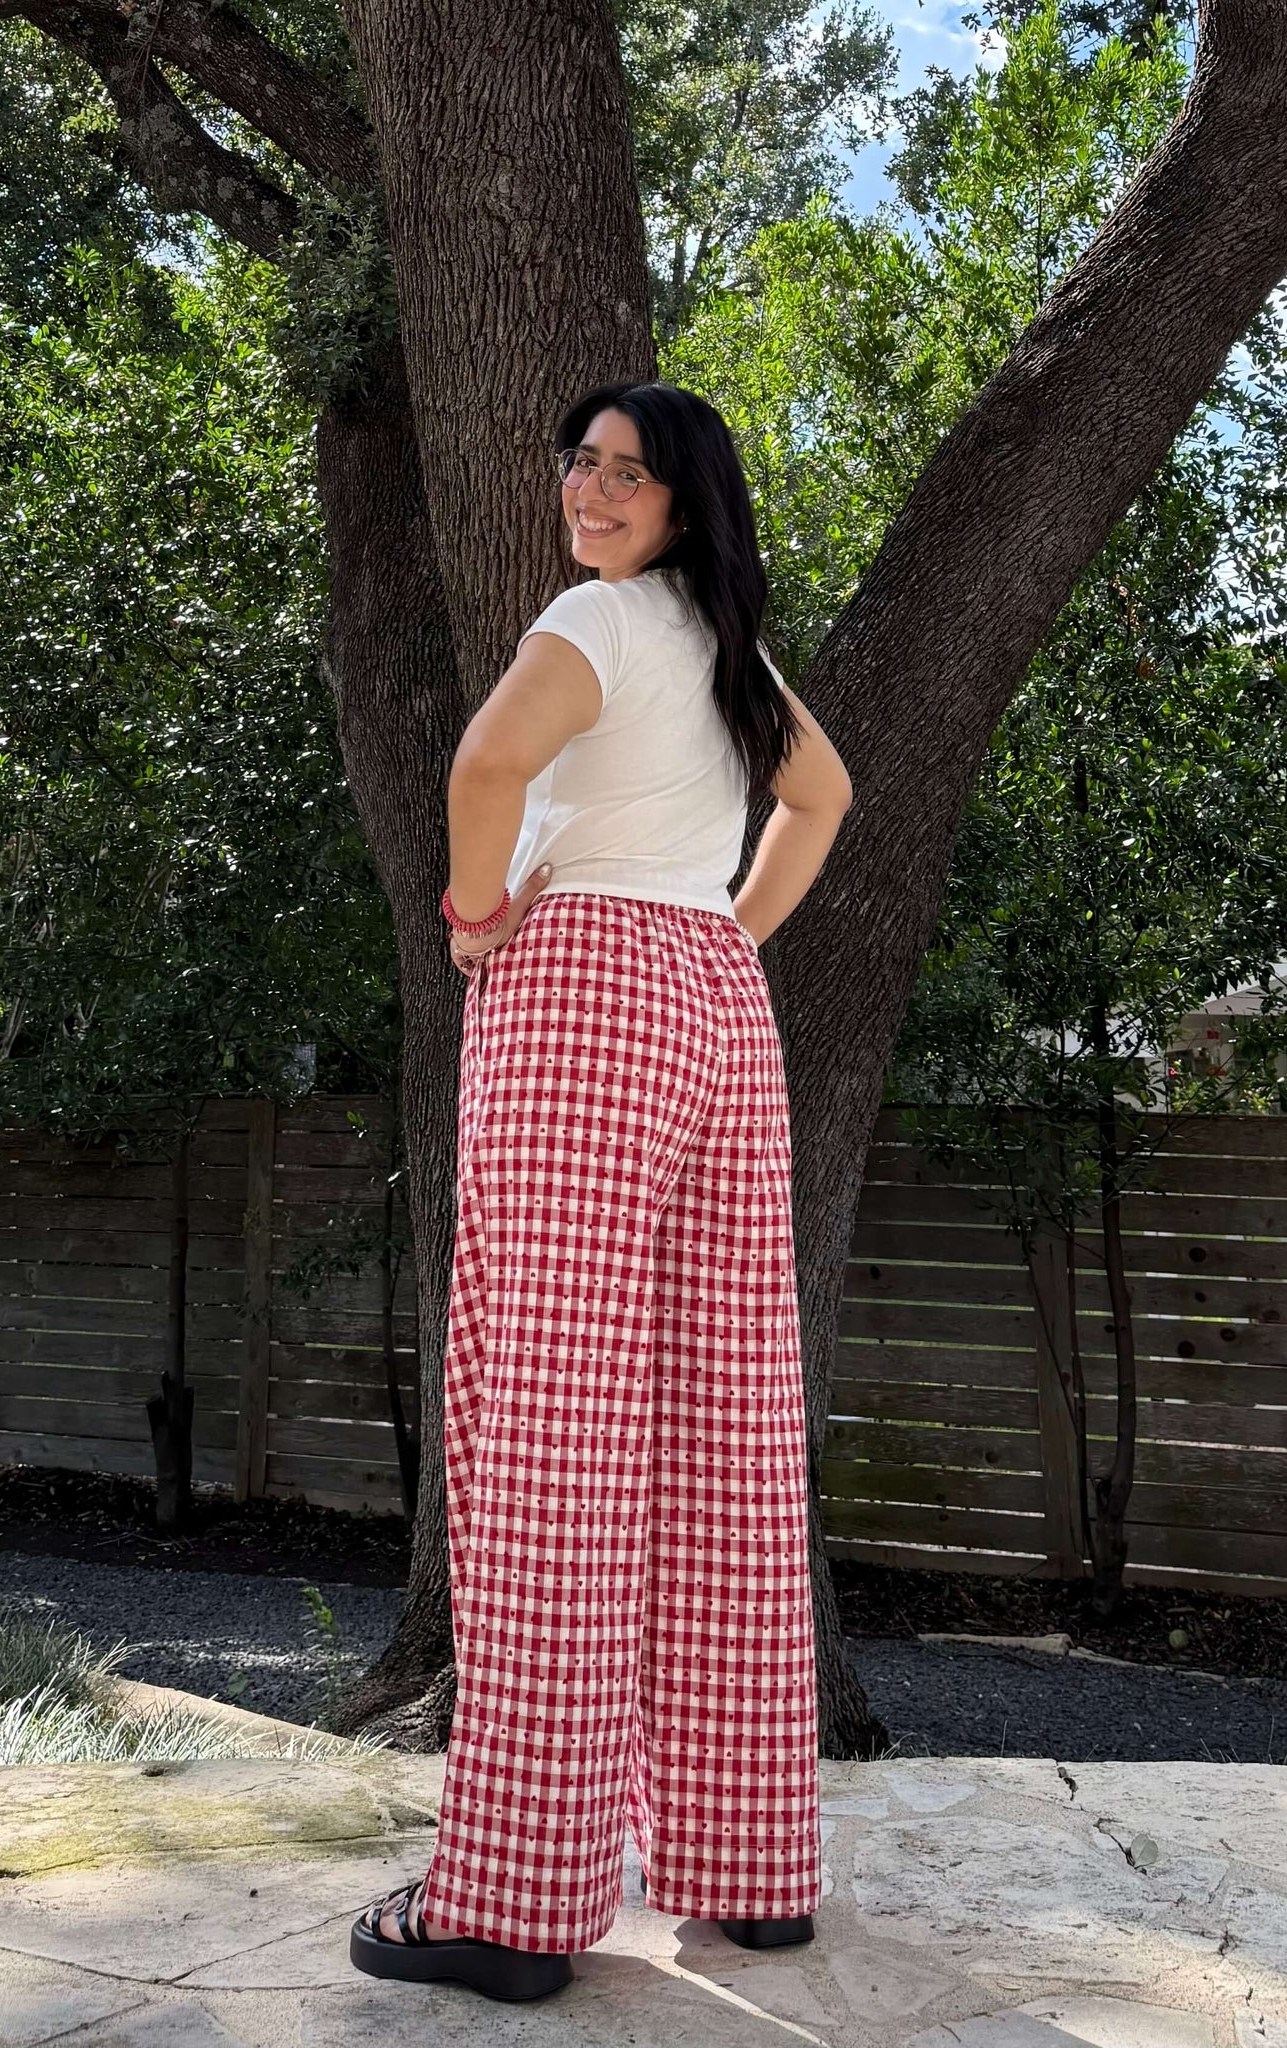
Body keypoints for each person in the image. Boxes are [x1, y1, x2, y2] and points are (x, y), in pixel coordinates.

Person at [348, 379, 854, 2003]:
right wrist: (722, 932)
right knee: (725, 1428)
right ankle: (750, 1869)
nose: (593, 489)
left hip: (578, 997)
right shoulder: (726, 647)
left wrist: (474, 916)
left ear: (685, 502)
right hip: (716, 1010)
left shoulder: (604, 620)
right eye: (582, 462)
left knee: (550, 1433)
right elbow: (821, 802)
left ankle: (509, 1909)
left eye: (629, 473)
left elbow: (487, 762)